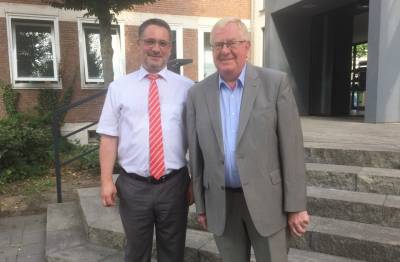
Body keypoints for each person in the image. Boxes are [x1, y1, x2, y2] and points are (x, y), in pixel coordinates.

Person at [186, 17, 310, 262]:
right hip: (221, 204)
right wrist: (201, 205)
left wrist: (296, 205)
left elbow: (292, 149)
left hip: (268, 203)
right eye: (218, 44)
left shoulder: (275, 83)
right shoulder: (197, 93)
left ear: (247, 46)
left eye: (232, 43)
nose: (224, 51)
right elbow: (196, 155)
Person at [97, 18, 193, 262]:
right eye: (150, 41)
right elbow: (109, 136)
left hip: (174, 185)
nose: (156, 48)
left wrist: (195, 181)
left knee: (173, 252)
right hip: (133, 186)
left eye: (162, 43)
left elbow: (196, 139)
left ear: (170, 48)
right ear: (138, 44)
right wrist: (106, 180)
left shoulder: (187, 89)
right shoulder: (119, 88)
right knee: (136, 253)